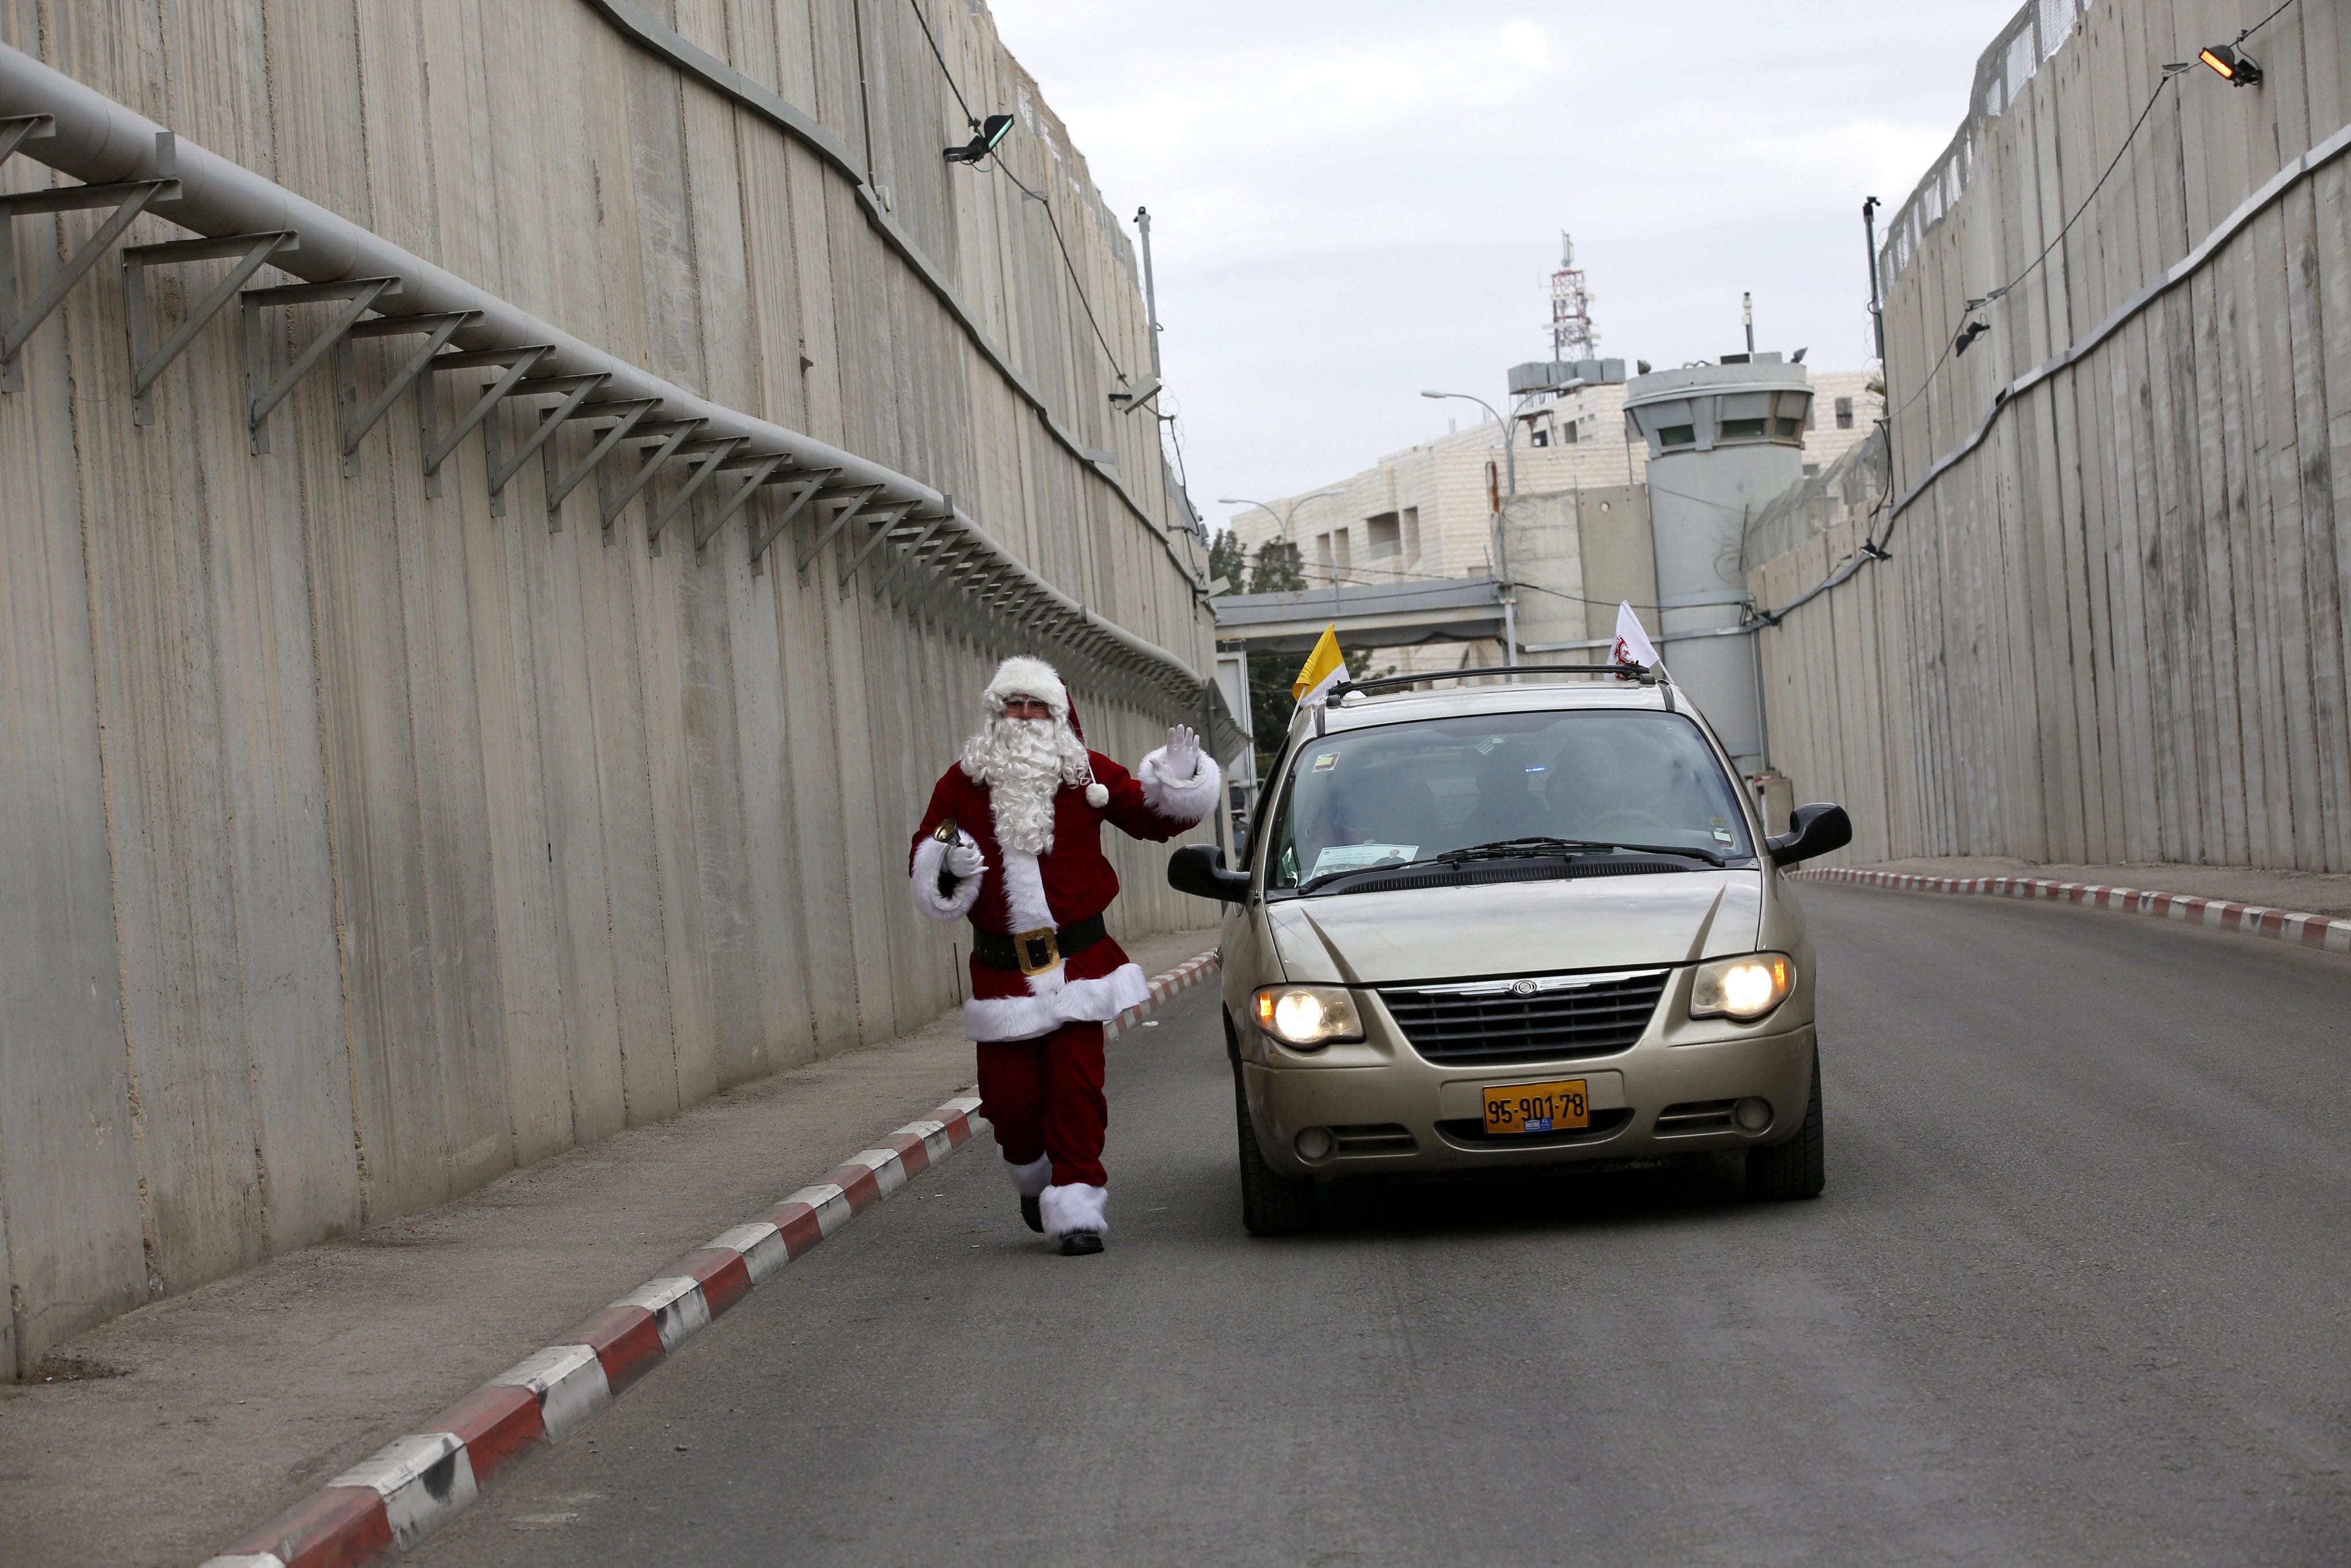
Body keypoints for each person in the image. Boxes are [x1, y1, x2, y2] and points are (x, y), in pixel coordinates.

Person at [907, 657, 1221, 1255]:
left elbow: (1149, 817)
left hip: (1080, 964)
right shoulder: (959, 784)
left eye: (1037, 706)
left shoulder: (1087, 776)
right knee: (1011, 1101)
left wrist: (1180, 779)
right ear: (995, 713)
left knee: (1076, 1088)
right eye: (1013, 705)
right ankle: (1032, 1173)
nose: (1025, 717)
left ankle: (1078, 1203)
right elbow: (930, 841)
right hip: (1003, 971)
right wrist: (947, 862)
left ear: (1059, 715)